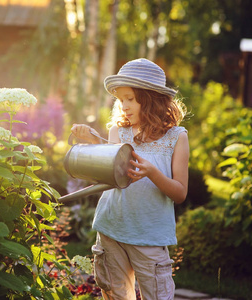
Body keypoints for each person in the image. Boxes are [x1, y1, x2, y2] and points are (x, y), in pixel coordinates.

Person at [70, 58, 189, 300]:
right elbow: (111, 174)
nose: (123, 105)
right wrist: (93, 143)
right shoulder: (118, 131)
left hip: (149, 235)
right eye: (121, 99)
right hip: (112, 229)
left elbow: (180, 193)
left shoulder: (176, 137)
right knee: (115, 295)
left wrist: (152, 173)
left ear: (151, 98)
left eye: (131, 99)